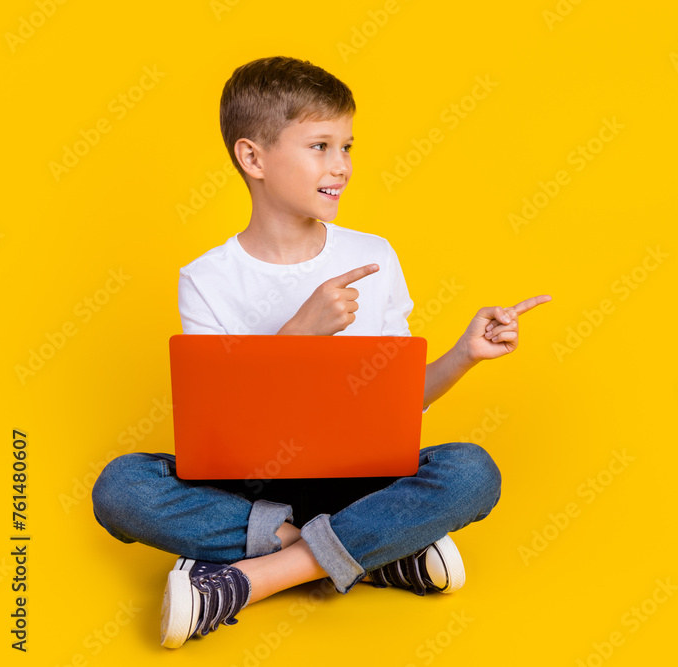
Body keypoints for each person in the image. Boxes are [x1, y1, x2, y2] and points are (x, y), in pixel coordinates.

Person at [90, 55, 552, 649]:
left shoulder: (374, 253)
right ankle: (376, 554)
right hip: (254, 488)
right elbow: (224, 425)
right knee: (121, 487)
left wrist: (465, 353)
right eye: (320, 146)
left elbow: (401, 405)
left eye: (348, 146)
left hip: (364, 480)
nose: (342, 167)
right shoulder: (207, 278)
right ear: (252, 158)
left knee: (470, 470)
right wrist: (298, 333)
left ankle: (244, 579)